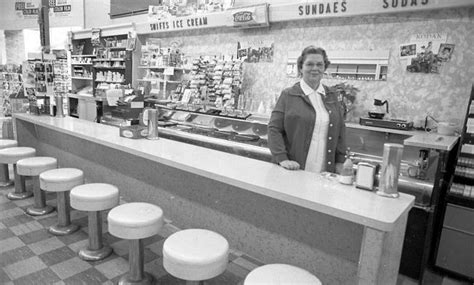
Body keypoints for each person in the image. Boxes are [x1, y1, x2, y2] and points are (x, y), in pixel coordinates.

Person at [268, 46, 347, 173]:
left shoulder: (332, 96)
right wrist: (282, 158)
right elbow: (274, 129)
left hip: (324, 169)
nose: (315, 68)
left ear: (324, 68)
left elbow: (340, 131)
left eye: (319, 64)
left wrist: (340, 160)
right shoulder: (289, 95)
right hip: (295, 168)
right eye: (309, 64)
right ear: (301, 67)